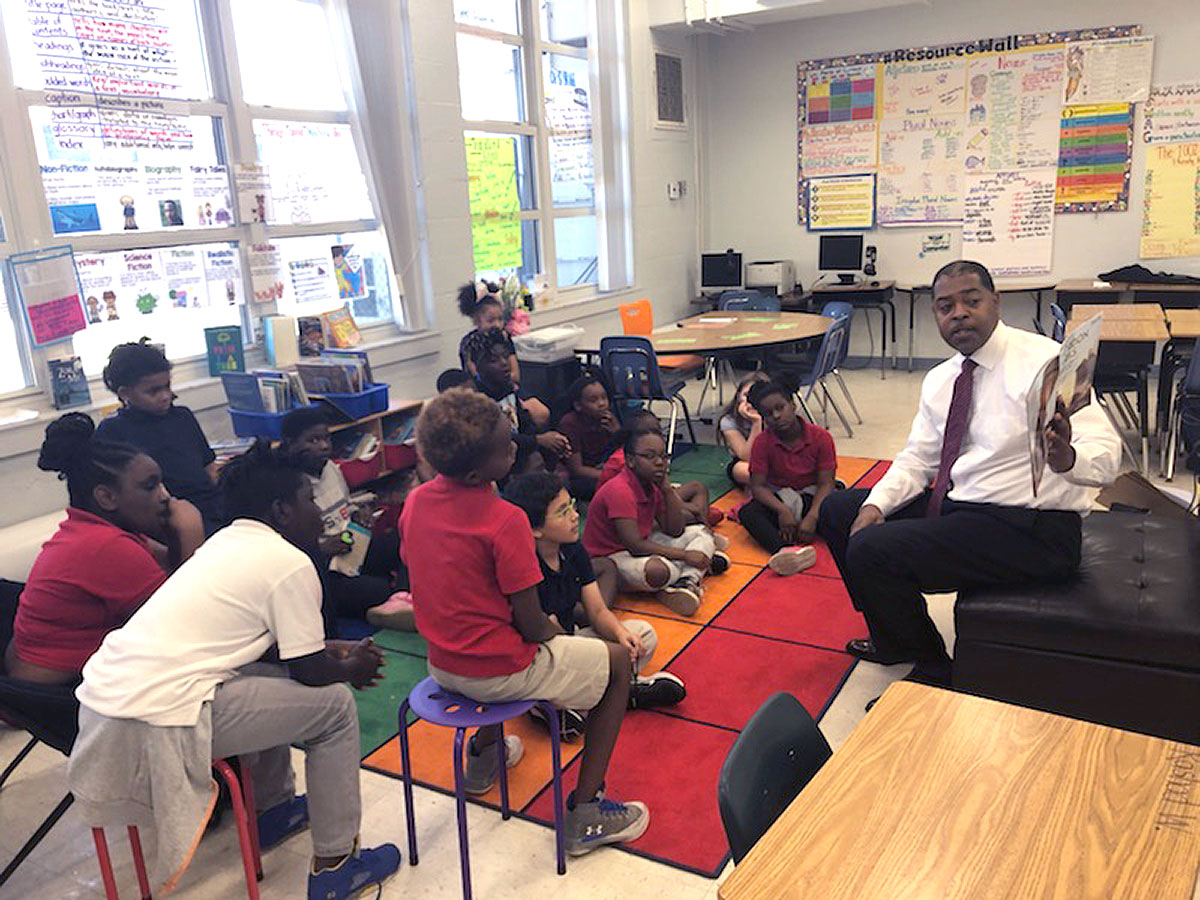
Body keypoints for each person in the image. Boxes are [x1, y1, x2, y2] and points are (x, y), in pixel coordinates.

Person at [68, 442, 400, 899]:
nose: (319, 510)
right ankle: (336, 864)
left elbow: (260, 650)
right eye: (309, 499)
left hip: (108, 710)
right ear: (282, 510)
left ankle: (273, 811)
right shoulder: (288, 563)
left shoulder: (223, 543)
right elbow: (309, 670)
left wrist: (335, 652)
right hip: (162, 718)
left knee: (262, 680)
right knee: (335, 708)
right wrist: (351, 668)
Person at [817, 260, 1122, 688]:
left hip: (1033, 528)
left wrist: (1067, 457)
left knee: (873, 551)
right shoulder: (942, 379)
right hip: (966, 508)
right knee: (839, 510)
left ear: (995, 302)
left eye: (971, 301)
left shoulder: (1046, 362)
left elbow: (1108, 455)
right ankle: (894, 639)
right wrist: (875, 505)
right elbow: (917, 459)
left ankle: (934, 671)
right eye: (945, 307)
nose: (958, 313)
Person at [400, 388, 649, 855]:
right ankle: (586, 809)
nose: (515, 445)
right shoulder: (505, 520)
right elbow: (532, 625)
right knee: (617, 662)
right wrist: (560, 634)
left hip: (441, 664)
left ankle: (484, 758)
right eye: (505, 444)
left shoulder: (416, 502)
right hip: (496, 671)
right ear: (478, 471)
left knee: (491, 631)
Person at [4, 414, 205, 685]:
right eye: (150, 486)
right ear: (107, 497)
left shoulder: (91, 530)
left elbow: (170, 572)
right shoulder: (105, 547)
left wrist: (174, 533)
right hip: (57, 697)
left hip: (52, 678)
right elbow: (191, 627)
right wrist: (191, 531)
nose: (164, 496)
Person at [503, 472, 686, 739]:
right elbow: (546, 637)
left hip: (570, 641)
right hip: (541, 657)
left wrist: (620, 634)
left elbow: (598, 611)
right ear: (534, 528)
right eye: (562, 512)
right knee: (593, 661)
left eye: (573, 505)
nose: (575, 515)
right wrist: (598, 651)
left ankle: (588, 703)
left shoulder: (573, 550)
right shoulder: (525, 564)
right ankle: (623, 693)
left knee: (642, 633)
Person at [279, 406, 414, 634]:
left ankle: (402, 600)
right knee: (378, 589)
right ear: (290, 443)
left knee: (408, 538)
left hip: (352, 551)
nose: (323, 446)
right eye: (312, 440)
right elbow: (283, 551)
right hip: (324, 570)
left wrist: (358, 514)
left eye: (326, 438)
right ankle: (389, 601)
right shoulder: (287, 487)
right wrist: (321, 549)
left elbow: (345, 505)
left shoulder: (331, 468)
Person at [583, 428, 730, 617]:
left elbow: (674, 530)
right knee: (658, 571)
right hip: (611, 557)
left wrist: (667, 490)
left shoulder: (652, 483)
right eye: (650, 456)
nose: (660, 462)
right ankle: (688, 574)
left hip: (643, 544)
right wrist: (685, 556)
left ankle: (686, 581)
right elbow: (635, 545)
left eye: (663, 456)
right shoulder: (620, 490)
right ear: (630, 460)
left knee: (701, 532)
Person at [95, 340, 225, 534]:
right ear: (125, 393)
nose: (165, 396)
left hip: (211, 505)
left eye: (167, 386)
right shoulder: (112, 431)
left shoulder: (183, 417)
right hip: (165, 517)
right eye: (153, 391)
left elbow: (209, 467)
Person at [739, 379, 836, 575]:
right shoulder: (762, 442)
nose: (776, 416)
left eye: (780, 408)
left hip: (812, 497)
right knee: (748, 513)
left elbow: (826, 483)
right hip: (780, 498)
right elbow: (757, 486)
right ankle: (786, 551)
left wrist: (812, 517)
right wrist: (782, 510)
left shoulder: (821, 437)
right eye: (768, 413)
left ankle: (802, 531)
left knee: (840, 508)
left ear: (792, 405)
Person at [466, 328, 571, 474]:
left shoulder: (507, 387)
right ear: (477, 366)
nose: (504, 363)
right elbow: (496, 440)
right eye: (493, 360)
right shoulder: (477, 400)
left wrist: (549, 442)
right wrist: (538, 440)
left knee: (560, 472)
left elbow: (524, 423)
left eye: (505, 356)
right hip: (497, 464)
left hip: (520, 453)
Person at [600, 409, 723, 528]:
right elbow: (655, 497)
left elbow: (660, 492)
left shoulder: (645, 456)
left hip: (649, 500)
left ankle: (701, 515)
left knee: (697, 487)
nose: (655, 437)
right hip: (629, 510)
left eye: (657, 431)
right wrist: (693, 509)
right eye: (650, 432)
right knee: (687, 516)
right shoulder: (626, 460)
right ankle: (702, 516)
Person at [456, 281, 549, 427]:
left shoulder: (505, 337)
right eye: (491, 320)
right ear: (476, 321)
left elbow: (515, 375)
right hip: (485, 393)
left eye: (500, 319)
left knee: (541, 412)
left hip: (509, 387)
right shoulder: (469, 343)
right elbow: (473, 376)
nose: (497, 325)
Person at [558, 374, 620, 499]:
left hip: (601, 466)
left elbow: (625, 450)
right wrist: (609, 474)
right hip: (581, 476)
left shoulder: (608, 419)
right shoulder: (570, 423)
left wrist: (617, 432)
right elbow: (577, 469)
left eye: (604, 398)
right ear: (578, 405)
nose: (602, 404)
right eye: (593, 400)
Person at [719, 371, 770, 487]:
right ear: (738, 396)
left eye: (758, 395)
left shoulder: (774, 415)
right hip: (746, 462)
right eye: (747, 395)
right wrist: (756, 422)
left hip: (774, 461)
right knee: (744, 470)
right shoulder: (728, 421)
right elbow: (747, 457)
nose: (751, 400)